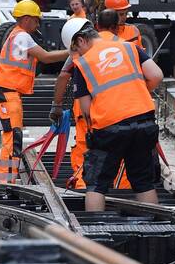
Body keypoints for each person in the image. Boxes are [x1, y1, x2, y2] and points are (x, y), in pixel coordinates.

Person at [66, 15, 164, 213]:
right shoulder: (130, 48)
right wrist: (137, 93)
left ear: (81, 40)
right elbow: (156, 75)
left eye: (76, 50)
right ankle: (154, 230)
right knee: (143, 182)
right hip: (144, 122)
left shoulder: (84, 64)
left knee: (96, 184)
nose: (77, 55)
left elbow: (86, 110)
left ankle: (96, 232)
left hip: (109, 128)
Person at [0, 0, 69, 184]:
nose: (37, 25)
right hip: (8, 93)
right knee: (12, 138)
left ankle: (7, 180)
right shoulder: (22, 36)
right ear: (26, 19)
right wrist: (73, 52)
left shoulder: (15, 35)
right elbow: (46, 57)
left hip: (9, 93)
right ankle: (6, 182)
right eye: (36, 20)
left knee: (13, 136)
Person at [52, 5, 115, 190]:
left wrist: (56, 105)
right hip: (116, 108)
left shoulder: (79, 53)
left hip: (88, 109)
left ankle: (83, 187)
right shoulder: (113, 44)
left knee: (86, 149)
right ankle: (118, 190)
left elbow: (64, 76)